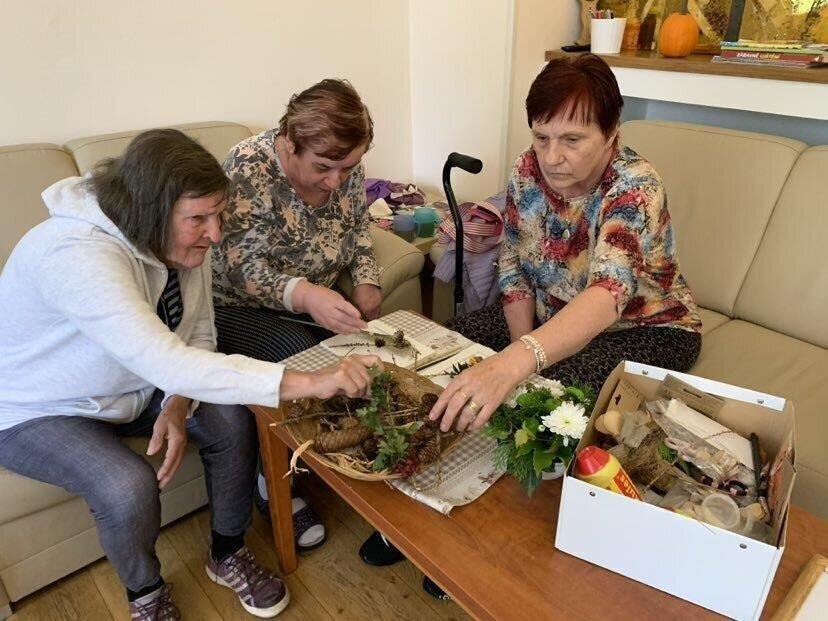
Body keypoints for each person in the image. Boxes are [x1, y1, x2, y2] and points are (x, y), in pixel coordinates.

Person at [0, 129, 380, 620]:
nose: (215, 233)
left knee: (232, 419)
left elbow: (198, 334)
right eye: (198, 218)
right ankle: (146, 593)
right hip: (42, 408)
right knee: (126, 485)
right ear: (150, 212)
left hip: (135, 386)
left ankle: (227, 552)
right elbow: (165, 359)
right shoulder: (75, 253)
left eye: (217, 215)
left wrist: (177, 400)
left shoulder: (178, 243)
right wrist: (314, 380)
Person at [428, 53, 702, 434]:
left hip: (646, 328)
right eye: (541, 138)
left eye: (572, 140)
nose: (551, 157)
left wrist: (518, 361)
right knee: (447, 349)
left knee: (549, 403)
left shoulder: (635, 187)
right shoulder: (527, 169)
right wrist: (521, 346)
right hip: (552, 314)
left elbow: (607, 295)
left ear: (611, 133)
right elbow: (513, 264)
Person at [211, 78, 381, 551]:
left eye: (347, 168)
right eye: (323, 168)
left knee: (371, 356)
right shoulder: (249, 165)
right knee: (300, 355)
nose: (336, 181)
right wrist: (305, 295)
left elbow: (359, 227)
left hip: (316, 300)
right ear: (289, 142)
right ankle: (272, 481)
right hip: (237, 306)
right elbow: (241, 268)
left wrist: (367, 279)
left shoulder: (344, 163)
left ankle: (349, 456)